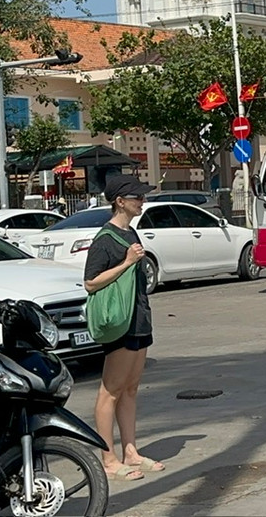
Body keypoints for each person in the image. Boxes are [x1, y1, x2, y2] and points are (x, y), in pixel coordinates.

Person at [83, 175, 164, 482]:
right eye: (137, 197)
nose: (142, 201)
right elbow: (91, 282)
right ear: (120, 201)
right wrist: (127, 262)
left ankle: (131, 452)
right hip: (120, 320)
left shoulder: (131, 231)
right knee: (111, 390)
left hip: (139, 316)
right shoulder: (105, 239)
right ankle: (108, 458)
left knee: (130, 388)